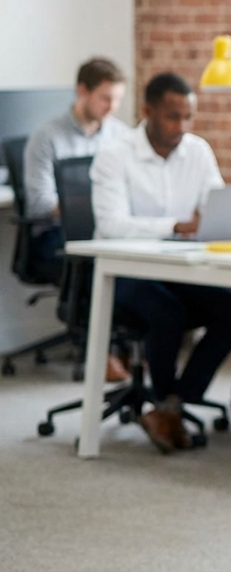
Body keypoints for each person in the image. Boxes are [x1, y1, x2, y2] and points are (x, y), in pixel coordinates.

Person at [90, 72, 231, 452]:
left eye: (187, 117)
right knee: (168, 313)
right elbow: (111, 225)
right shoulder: (114, 154)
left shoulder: (196, 150)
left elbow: (212, 208)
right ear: (147, 112)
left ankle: (170, 405)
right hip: (123, 271)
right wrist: (176, 225)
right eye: (172, 117)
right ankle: (165, 406)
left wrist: (223, 224)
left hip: (177, 267)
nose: (182, 127)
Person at [23, 57, 131, 381]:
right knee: (97, 264)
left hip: (106, 230)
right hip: (56, 237)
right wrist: (88, 206)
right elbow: (40, 202)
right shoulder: (47, 136)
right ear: (82, 91)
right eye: (105, 98)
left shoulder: (120, 135)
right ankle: (100, 351)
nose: (112, 107)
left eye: (118, 100)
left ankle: (136, 347)